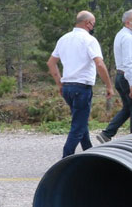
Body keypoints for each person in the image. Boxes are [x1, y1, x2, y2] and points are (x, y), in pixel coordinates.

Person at [47, 10, 114, 157]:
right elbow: (100, 65)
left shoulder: (63, 39)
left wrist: (59, 83)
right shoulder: (89, 40)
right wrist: (109, 85)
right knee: (78, 126)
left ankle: (89, 152)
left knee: (80, 121)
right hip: (82, 87)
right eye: (93, 24)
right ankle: (66, 158)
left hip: (67, 87)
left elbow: (51, 63)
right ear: (87, 23)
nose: (93, 26)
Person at [96, 8, 132, 144]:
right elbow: (128, 61)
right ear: (128, 22)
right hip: (130, 75)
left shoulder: (122, 35)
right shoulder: (127, 38)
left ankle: (107, 133)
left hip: (121, 76)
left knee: (128, 109)